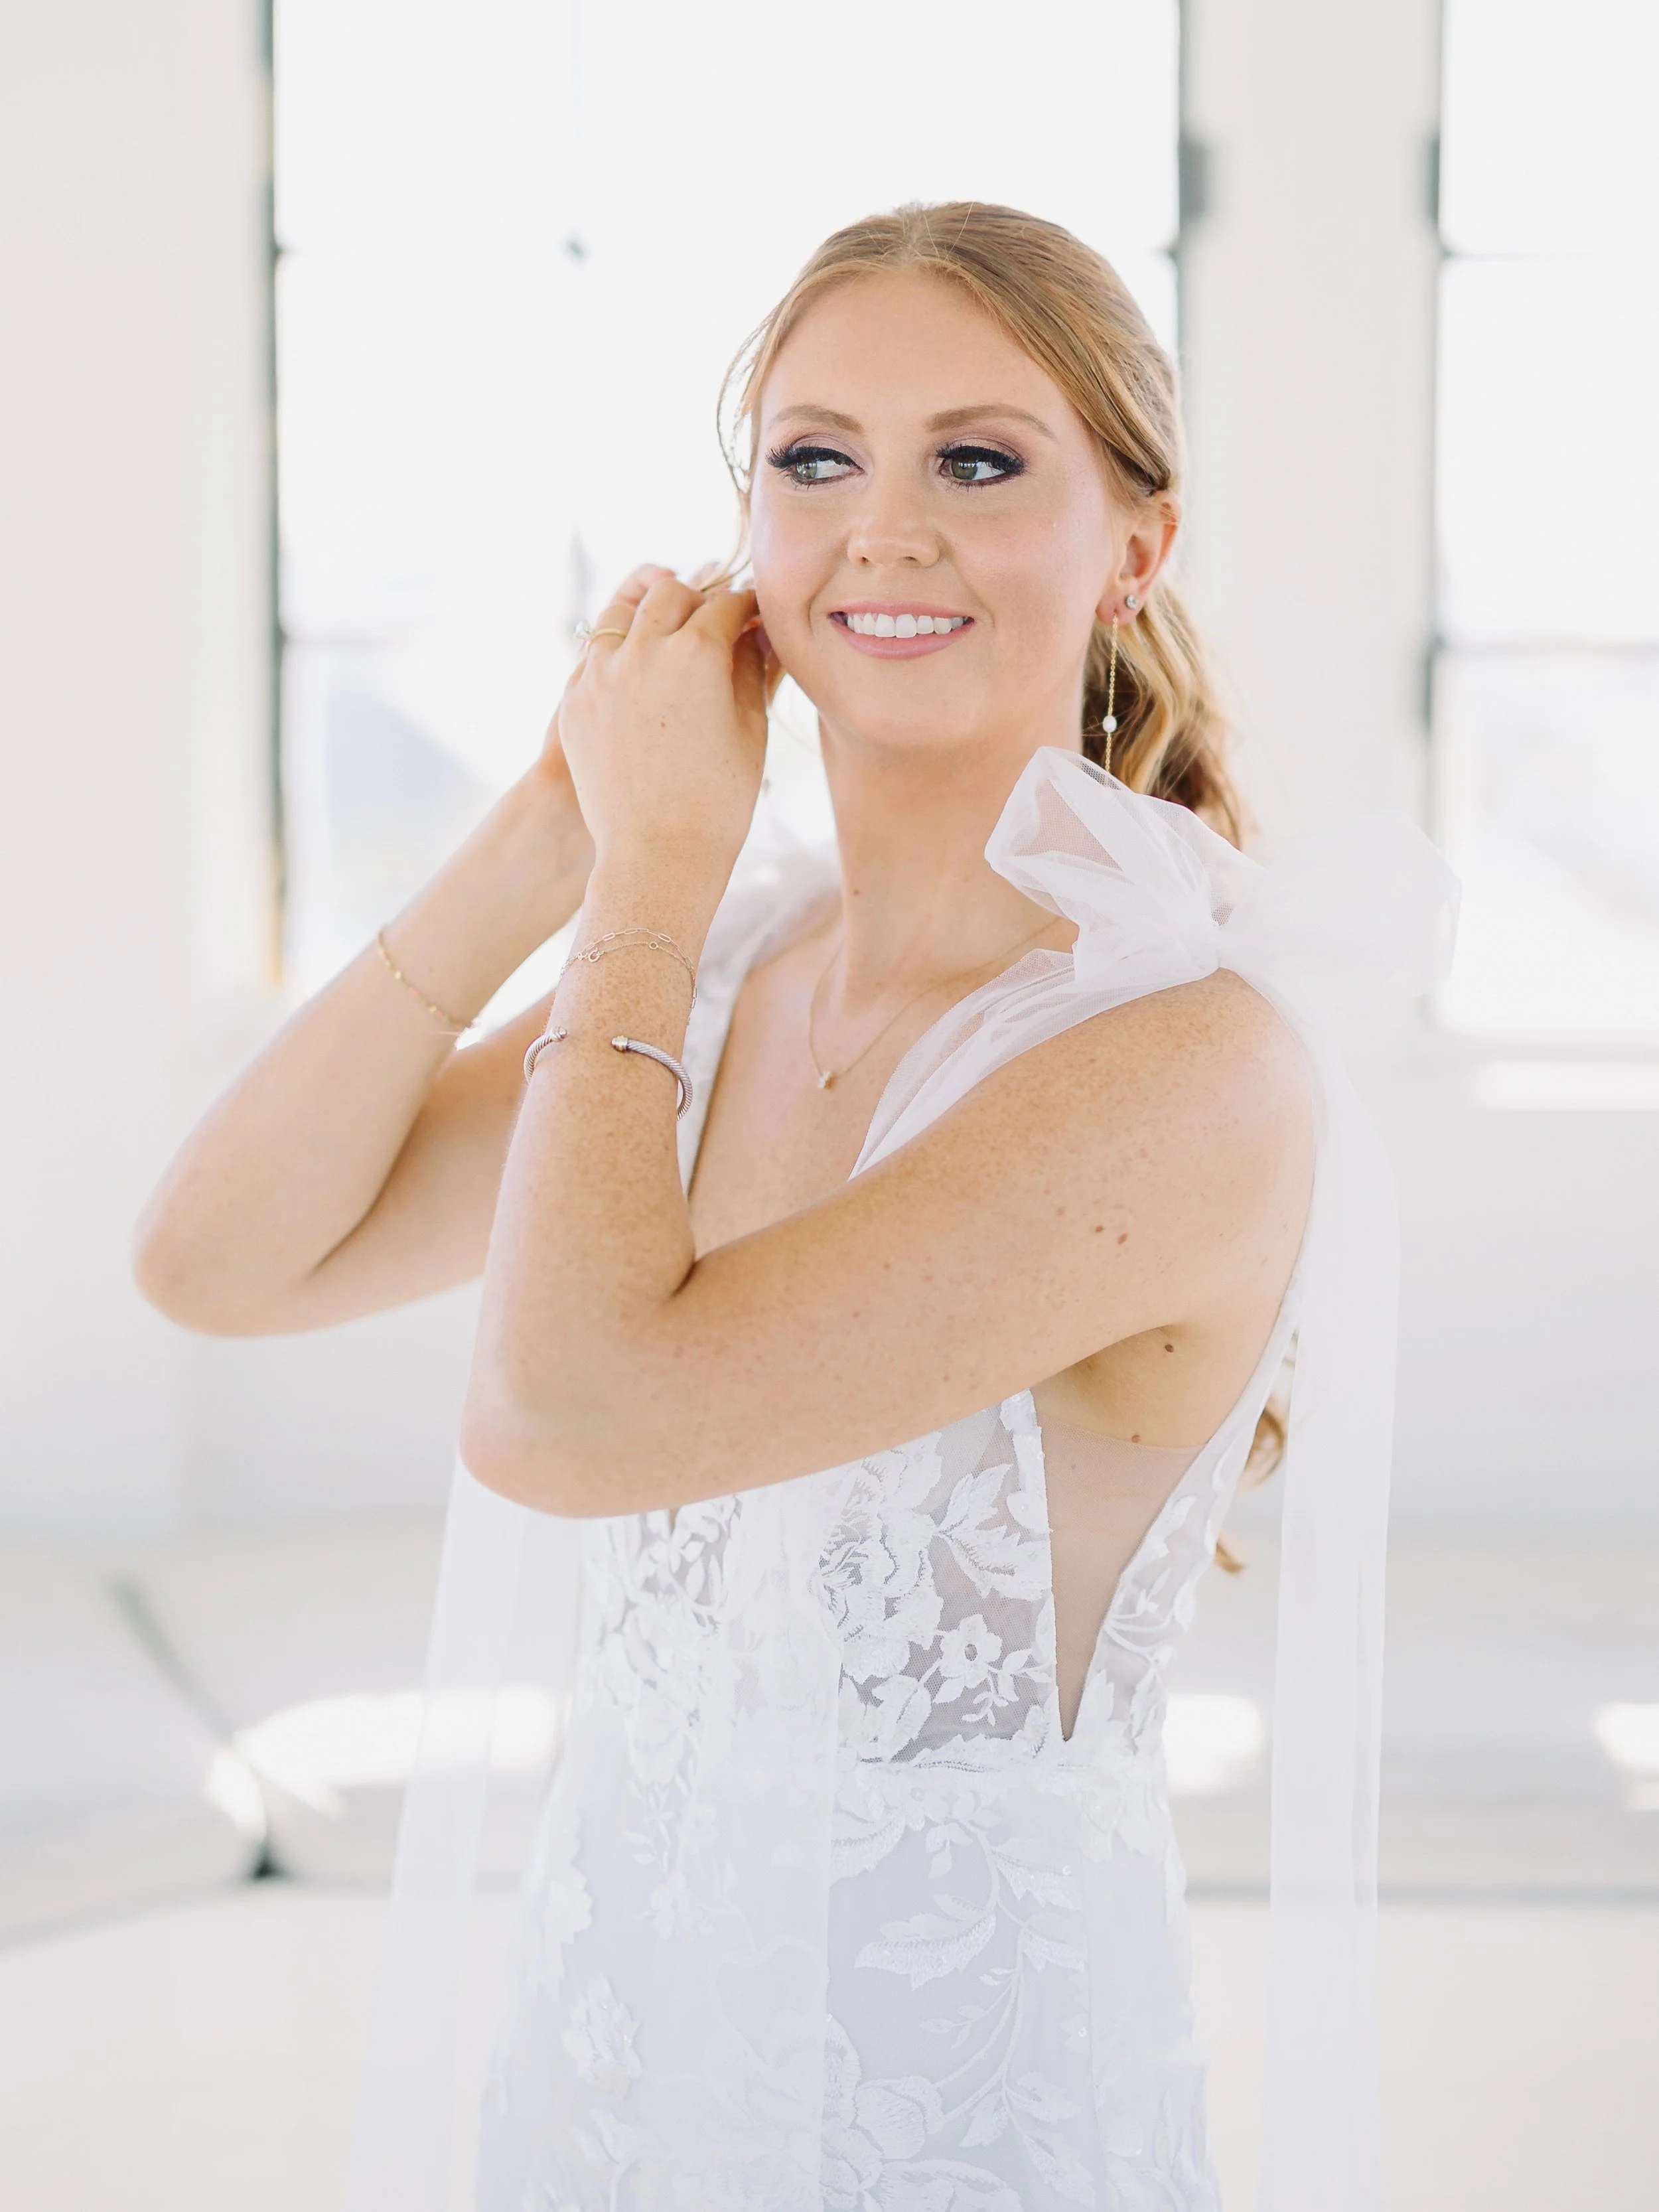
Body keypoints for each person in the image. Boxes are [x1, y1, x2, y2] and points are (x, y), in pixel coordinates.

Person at [137, 203, 1449, 2211]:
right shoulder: (729, 985)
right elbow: (215, 1258)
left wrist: (649, 882)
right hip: (612, 2061)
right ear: (743, 546)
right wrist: (550, 833)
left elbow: (563, 1418)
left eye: (980, 462)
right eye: (813, 461)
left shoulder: (1179, 1065)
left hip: (949, 2123)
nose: (883, 529)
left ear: (1133, 551)